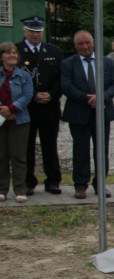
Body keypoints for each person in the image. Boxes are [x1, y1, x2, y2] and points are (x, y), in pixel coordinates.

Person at [61, 30, 114, 200]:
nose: (85, 46)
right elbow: (66, 86)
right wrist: (86, 99)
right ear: (75, 45)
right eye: (81, 43)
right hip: (79, 113)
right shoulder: (68, 63)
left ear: (93, 43)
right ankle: (80, 185)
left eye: (87, 43)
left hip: (102, 112)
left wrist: (102, 97)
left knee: (102, 150)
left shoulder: (106, 62)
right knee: (80, 151)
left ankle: (100, 184)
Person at [17, 15, 63, 195]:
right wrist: (31, 95)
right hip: (27, 107)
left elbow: (61, 79)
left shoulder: (53, 51)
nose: (35, 35)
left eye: (38, 31)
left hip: (49, 106)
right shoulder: (16, 50)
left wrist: (52, 95)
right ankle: (28, 181)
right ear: (25, 31)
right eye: (31, 31)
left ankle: (53, 181)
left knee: (49, 145)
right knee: (26, 146)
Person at [0, 42, 34, 202]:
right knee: (1, 155)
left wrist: (12, 109)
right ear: (1, 56)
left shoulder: (24, 75)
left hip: (20, 120)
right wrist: (3, 110)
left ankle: (20, 189)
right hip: (0, 119)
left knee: (18, 156)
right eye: (8, 53)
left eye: (14, 53)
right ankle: (2, 189)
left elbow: (28, 95)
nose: (12, 55)